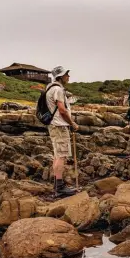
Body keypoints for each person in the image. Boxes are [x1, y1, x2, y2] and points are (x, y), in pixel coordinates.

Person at [46, 66, 79, 197]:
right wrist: (72, 123)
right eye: (66, 74)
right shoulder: (58, 89)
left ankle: (57, 185)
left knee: (57, 155)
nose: (68, 76)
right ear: (60, 76)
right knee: (61, 156)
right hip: (59, 126)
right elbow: (62, 110)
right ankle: (59, 188)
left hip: (54, 125)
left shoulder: (50, 88)